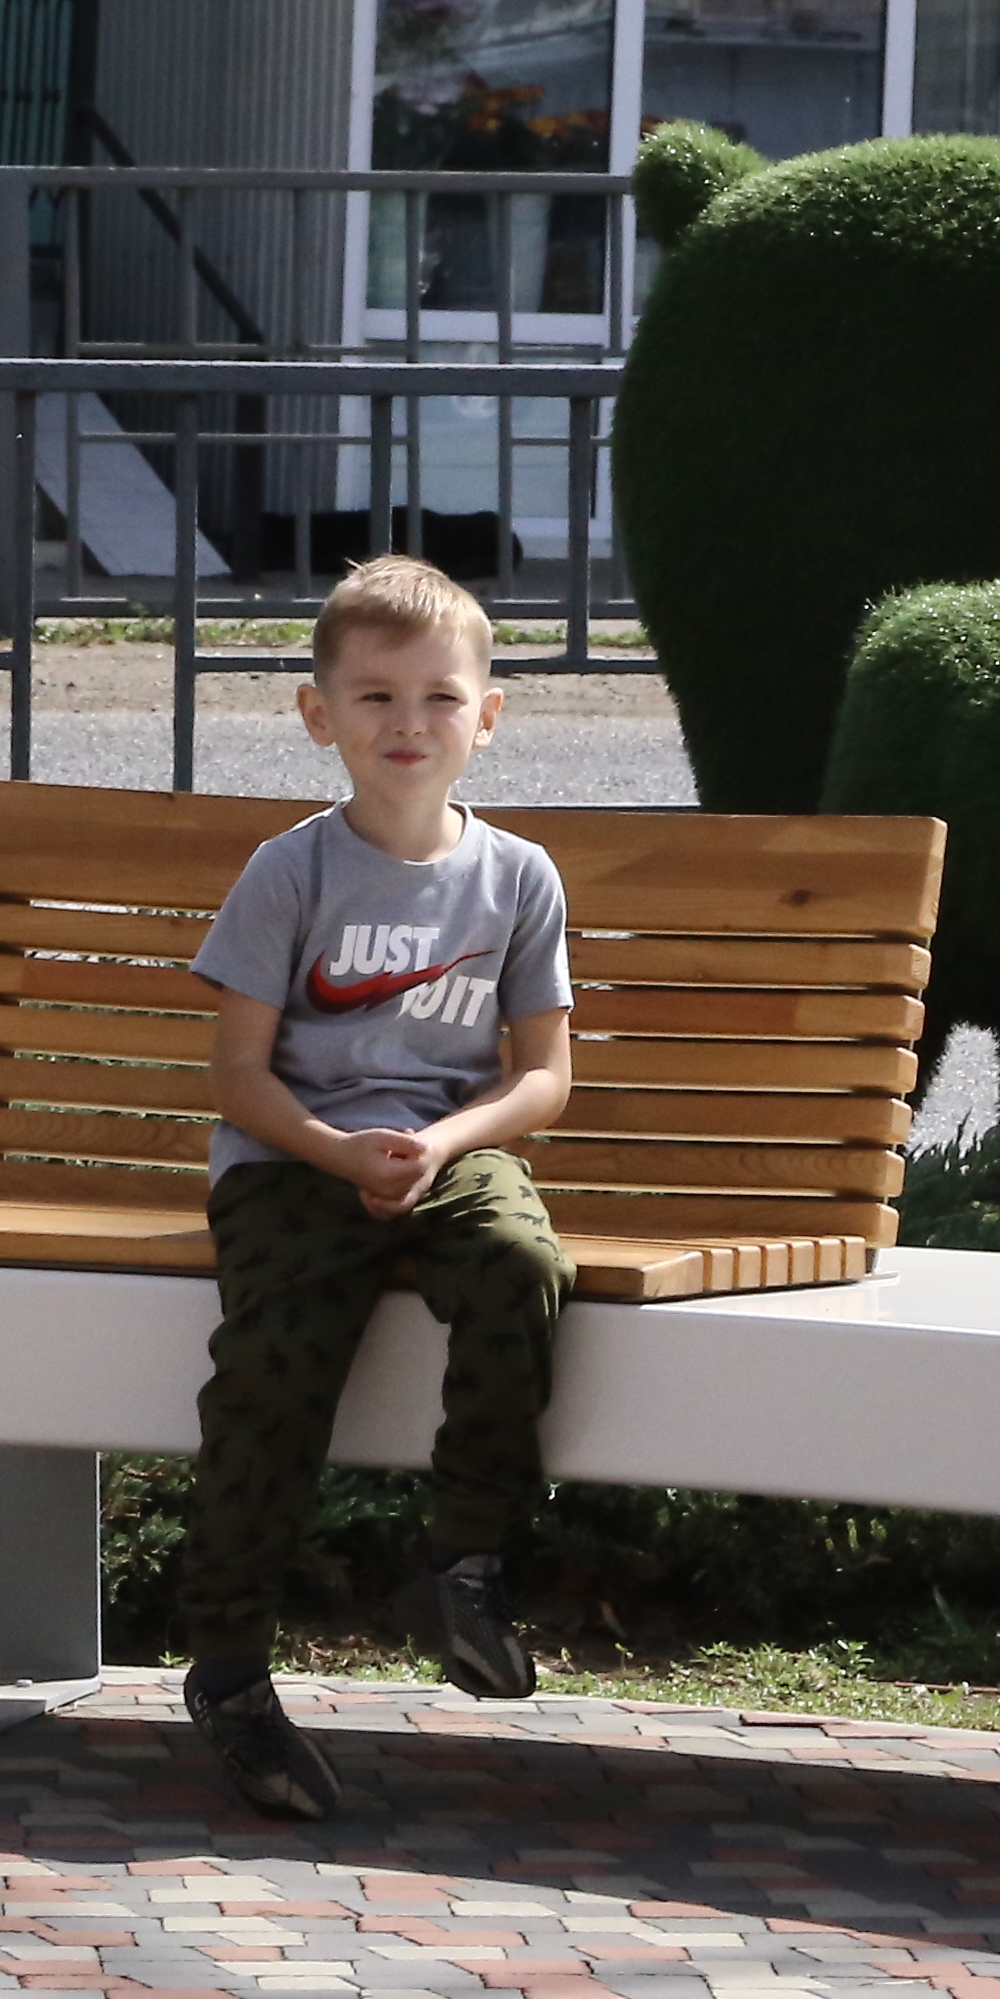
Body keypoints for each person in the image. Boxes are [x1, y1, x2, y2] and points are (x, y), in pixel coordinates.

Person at [178, 554, 577, 1821]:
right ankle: (232, 1667)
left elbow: (543, 1079)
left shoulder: (519, 878)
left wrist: (450, 1143)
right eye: (375, 698)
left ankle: (460, 1563)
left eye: (440, 699)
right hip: (295, 1159)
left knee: (520, 1264)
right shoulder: (289, 873)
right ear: (319, 716)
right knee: (275, 1368)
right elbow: (238, 1077)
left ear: (489, 716)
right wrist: (340, 1153)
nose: (410, 725)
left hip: (451, 1151)